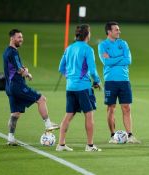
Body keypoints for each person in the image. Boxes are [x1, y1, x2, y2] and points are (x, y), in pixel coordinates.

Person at [3, 29, 59, 146]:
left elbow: (16, 66)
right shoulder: (13, 52)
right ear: (12, 38)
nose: (21, 39)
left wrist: (26, 73)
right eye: (19, 37)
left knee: (15, 113)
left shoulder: (7, 51)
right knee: (41, 99)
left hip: (9, 87)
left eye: (21, 37)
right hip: (17, 86)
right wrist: (26, 72)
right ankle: (48, 124)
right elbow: (19, 70)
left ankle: (10, 137)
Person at [57, 24, 102, 152]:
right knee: (89, 115)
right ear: (88, 34)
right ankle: (90, 145)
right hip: (83, 88)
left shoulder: (69, 48)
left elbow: (61, 68)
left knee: (68, 115)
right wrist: (97, 81)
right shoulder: (88, 49)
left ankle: (61, 144)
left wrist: (71, 77)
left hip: (70, 87)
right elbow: (92, 70)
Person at [98, 21, 140, 144]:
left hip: (124, 80)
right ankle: (112, 136)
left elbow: (128, 60)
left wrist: (112, 58)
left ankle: (130, 135)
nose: (119, 31)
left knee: (126, 108)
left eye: (118, 29)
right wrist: (120, 57)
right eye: (116, 30)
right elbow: (106, 62)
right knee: (111, 109)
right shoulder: (103, 45)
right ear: (109, 32)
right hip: (110, 81)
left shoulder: (123, 43)